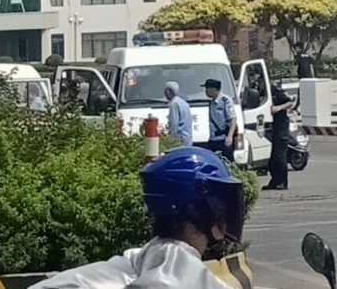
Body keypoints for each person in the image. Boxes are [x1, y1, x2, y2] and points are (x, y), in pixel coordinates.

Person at [28, 147, 243, 289]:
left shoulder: (144, 257)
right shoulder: (172, 263)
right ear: (194, 210)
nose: (224, 211)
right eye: (219, 202)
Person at [265, 83, 294, 190]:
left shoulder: (274, 89)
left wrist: (278, 108)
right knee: (272, 159)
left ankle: (283, 182)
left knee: (279, 156)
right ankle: (275, 181)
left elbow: (290, 102)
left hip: (280, 126)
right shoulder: (258, 89)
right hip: (270, 128)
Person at [201, 79, 237, 159]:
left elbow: (233, 119)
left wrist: (230, 136)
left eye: (207, 88)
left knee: (226, 162)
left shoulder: (225, 101)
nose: (205, 91)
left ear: (214, 89)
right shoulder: (212, 102)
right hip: (213, 139)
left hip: (223, 139)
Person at [165, 81, 194, 146]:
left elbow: (174, 124)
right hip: (187, 138)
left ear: (168, 91)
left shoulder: (174, 104)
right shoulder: (184, 103)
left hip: (180, 139)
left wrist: (171, 140)